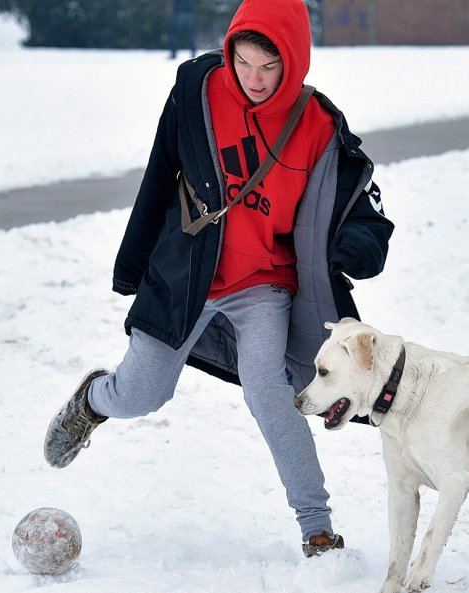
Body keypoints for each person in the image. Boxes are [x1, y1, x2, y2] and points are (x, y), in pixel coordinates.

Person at [44, 0, 393, 557]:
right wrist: (133, 263)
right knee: (142, 394)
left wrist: (354, 246)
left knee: (271, 393)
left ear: (295, 63)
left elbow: (364, 211)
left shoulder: (319, 127)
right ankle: (92, 400)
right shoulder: (198, 91)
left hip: (265, 286)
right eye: (245, 63)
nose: (253, 79)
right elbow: (160, 174)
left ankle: (316, 527)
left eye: (267, 67)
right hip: (187, 274)